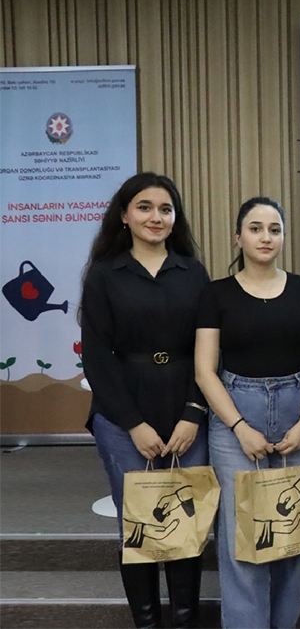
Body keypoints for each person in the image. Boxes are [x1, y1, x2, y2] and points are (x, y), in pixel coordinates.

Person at [81, 172, 210, 628]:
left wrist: (195, 413)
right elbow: (97, 358)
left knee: (184, 525)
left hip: (185, 412)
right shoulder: (104, 275)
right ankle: (148, 622)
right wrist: (132, 423)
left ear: (175, 220)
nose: (156, 216)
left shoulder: (193, 272)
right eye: (145, 207)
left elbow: (209, 350)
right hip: (122, 417)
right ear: (124, 214)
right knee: (137, 526)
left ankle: (184, 620)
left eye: (166, 209)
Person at [194, 196, 300, 628]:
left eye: (274, 229)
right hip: (235, 415)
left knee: (291, 534)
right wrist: (239, 427)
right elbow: (204, 371)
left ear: (283, 236)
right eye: (255, 228)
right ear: (238, 236)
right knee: (241, 538)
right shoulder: (215, 294)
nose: (265, 237)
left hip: (296, 413)